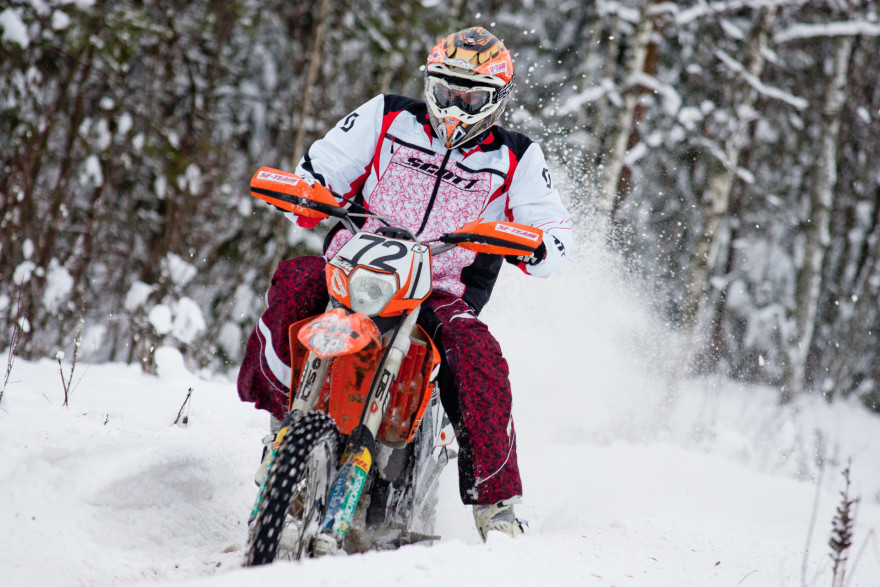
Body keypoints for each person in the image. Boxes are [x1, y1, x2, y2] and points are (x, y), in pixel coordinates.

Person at [238, 26, 572, 541]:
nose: (455, 107)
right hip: (355, 264)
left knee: (476, 353)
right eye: (445, 92)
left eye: (471, 96)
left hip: (440, 285)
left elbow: (555, 236)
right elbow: (322, 168)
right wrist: (308, 192)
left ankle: (497, 505)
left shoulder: (516, 157)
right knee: (294, 280)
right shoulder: (388, 115)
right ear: (429, 84)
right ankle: (283, 422)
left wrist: (535, 244)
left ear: (496, 101)